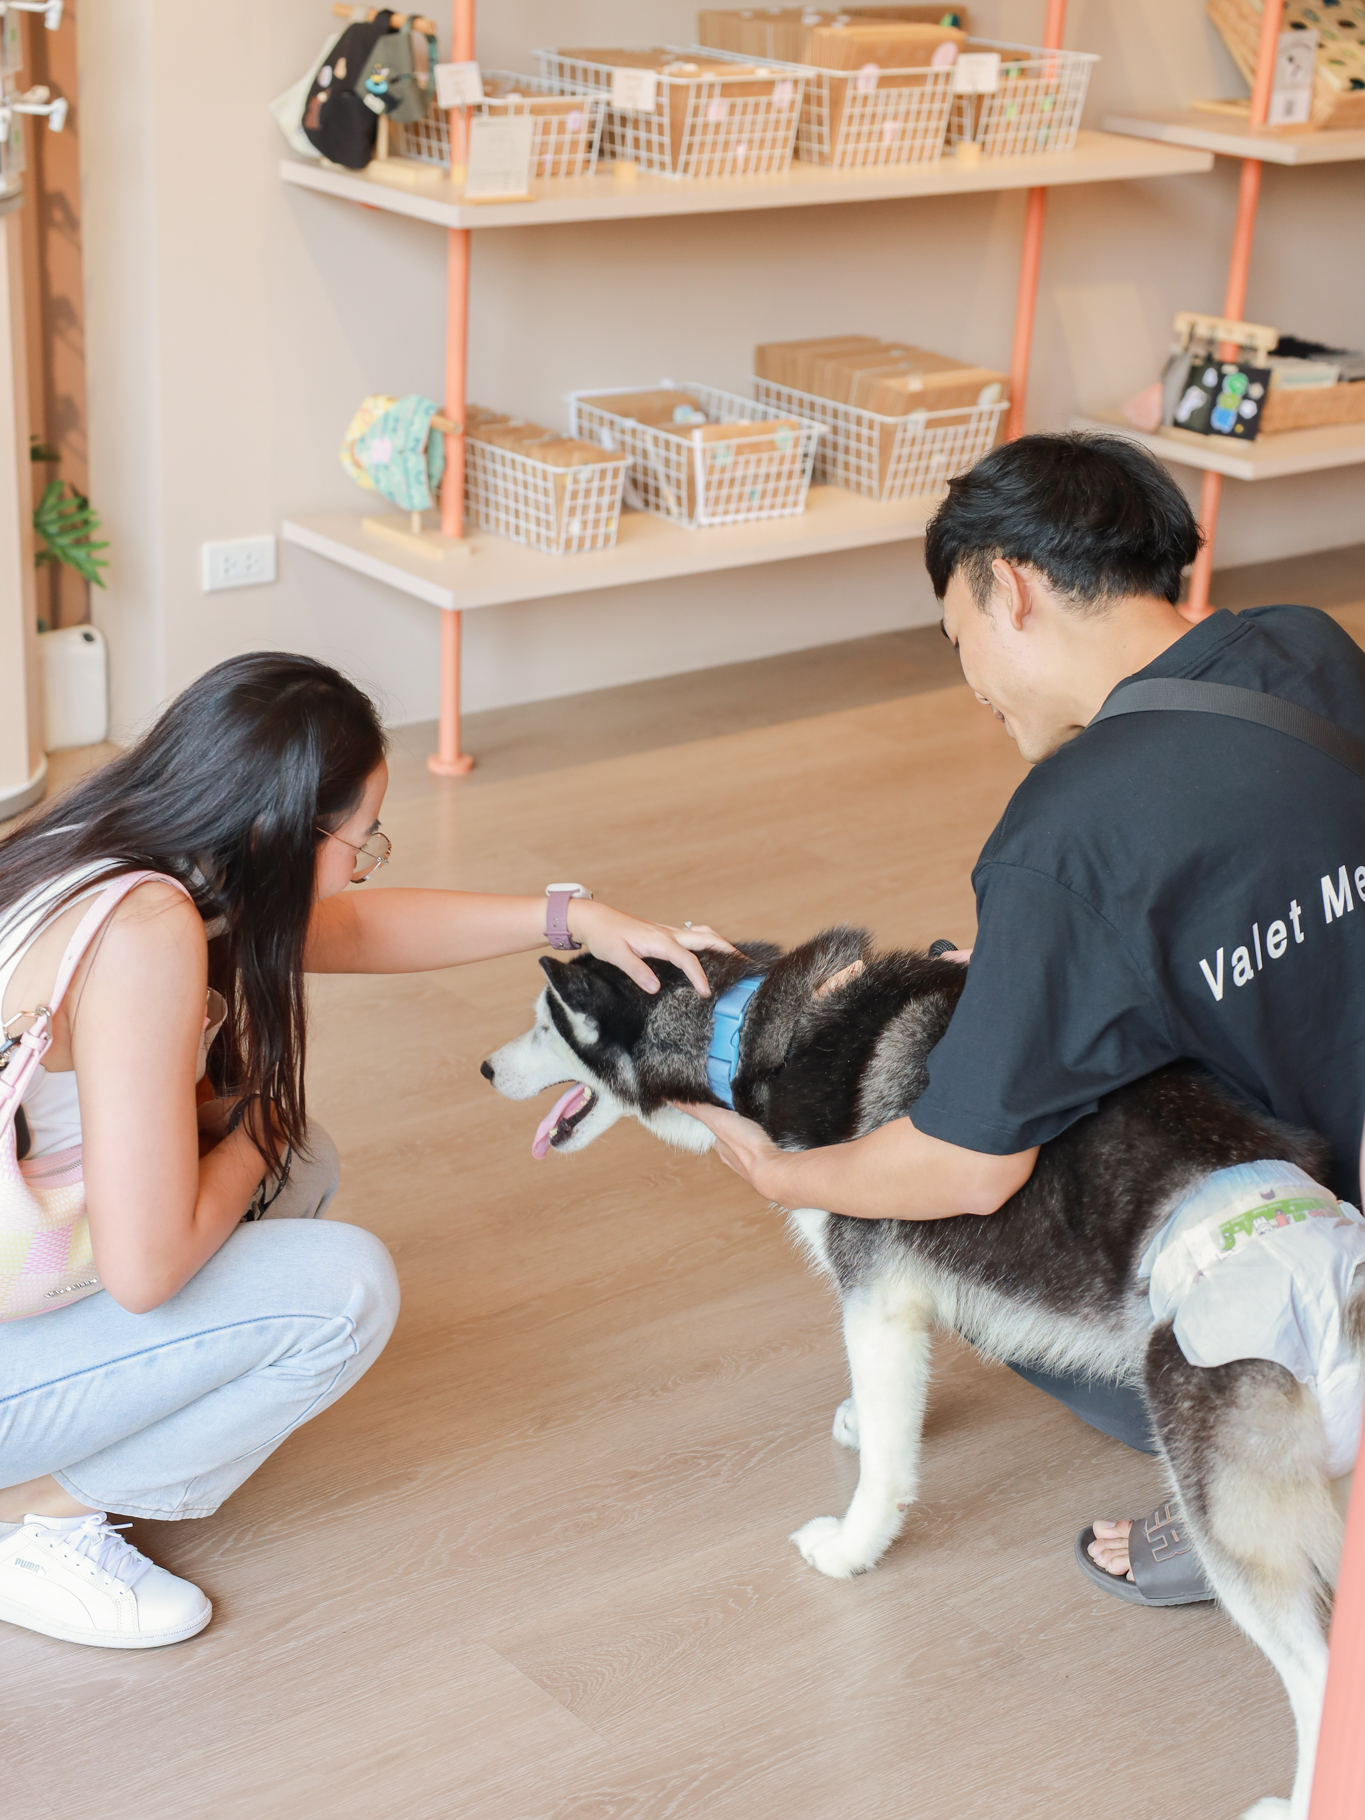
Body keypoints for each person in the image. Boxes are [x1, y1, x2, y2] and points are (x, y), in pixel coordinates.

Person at [684, 432, 1365, 1604]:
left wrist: (785, 1173)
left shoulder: (1064, 829)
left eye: (958, 639)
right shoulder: (1307, 643)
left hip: (1317, 1261)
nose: (974, 684)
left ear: (1010, 585)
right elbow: (1247, 882)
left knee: (938, 1205)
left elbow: (963, 1166)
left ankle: (1265, 1464)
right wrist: (1025, 968)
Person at [0, 653, 722, 1650]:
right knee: (343, 1288)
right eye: (359, 838)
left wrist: (571, 917)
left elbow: (354, 928)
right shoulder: (146, 933)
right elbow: (146, 1268)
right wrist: (262, 1125)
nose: (363, 864)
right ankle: (40, 1519)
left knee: (302, 1166)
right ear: (276, 829)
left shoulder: (109, 848)